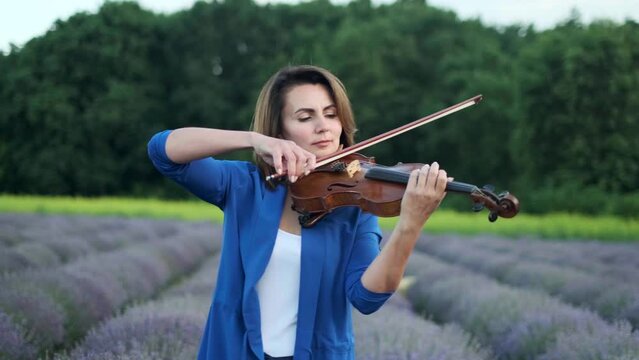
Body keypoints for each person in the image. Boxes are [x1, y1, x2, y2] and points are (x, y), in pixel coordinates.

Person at [147, 65, 449, 360]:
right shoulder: (246, 186)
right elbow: (164, 152)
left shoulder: (354, 206)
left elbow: (366, 297)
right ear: (279, 129)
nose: (324, 127)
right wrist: (254, 139)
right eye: (305, 117)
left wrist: (410, 224)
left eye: (331, 115)